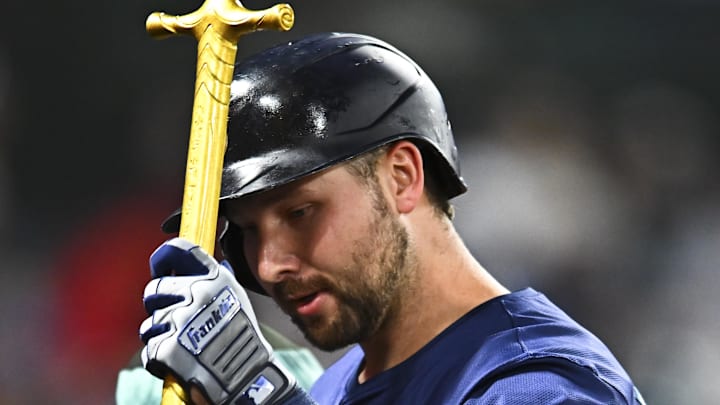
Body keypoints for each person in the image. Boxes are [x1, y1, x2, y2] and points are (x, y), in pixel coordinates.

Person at [139, 32, 645, 404]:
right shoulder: (340, 386)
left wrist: (259, 395)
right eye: (247, 231)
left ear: (402, 177)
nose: (269, 266)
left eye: (299, 212)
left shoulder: (542, 386)